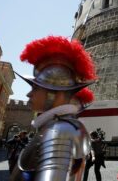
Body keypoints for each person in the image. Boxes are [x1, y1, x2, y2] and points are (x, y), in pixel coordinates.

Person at [9, 35, 97, 181]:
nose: (29, 94)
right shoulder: (61, 126)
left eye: (36, 88)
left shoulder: (59, 131)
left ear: (52, 94)